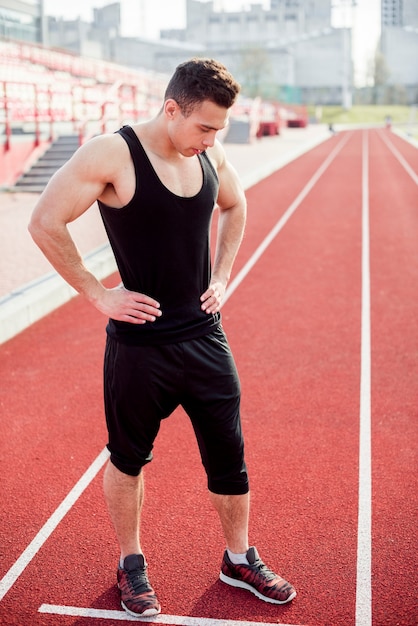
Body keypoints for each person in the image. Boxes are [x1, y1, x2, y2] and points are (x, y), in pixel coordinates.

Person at [29, 58, 296, 618]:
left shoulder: (209, 153)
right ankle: (131, 565)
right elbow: (45, 220)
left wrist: (221, 275)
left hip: (205, 338)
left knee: (230, 456)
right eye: (203, 126)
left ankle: (239, 557)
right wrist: (98, 294)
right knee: (128, 459)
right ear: (171, 108)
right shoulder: (113, 154)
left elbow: (236, 204)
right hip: (140, 346)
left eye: (219, 129)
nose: (212, 138)